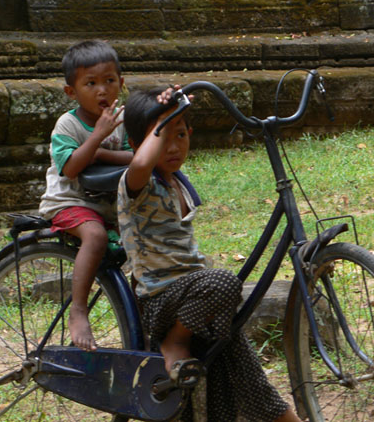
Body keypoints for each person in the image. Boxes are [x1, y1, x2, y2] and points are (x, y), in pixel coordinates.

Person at [117, 88, 303, 422]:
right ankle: (174, 344)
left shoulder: (178, 182)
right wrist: (164, 119)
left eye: (181, 134)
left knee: (236, 360)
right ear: (136, 145)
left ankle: (283, 417)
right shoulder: (136, 182)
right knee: (223, 281)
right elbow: (142, 161)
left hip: (192, 297)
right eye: (161, 138)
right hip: (161, 302)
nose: (173, 146)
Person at [39, 40, 133, 351]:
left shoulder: (123, 119)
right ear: (72, 92)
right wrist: (96, 139)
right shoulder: (67, 124)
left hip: (107, 205)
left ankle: (145, 313)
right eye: (90, 83)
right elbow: (70, 167)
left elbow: (135, 158)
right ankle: (78, 311)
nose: (102, 91)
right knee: (94, 237)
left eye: (109, 81)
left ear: (121, 82)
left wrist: (100, 153)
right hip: (69, 202)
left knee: (145, 241)